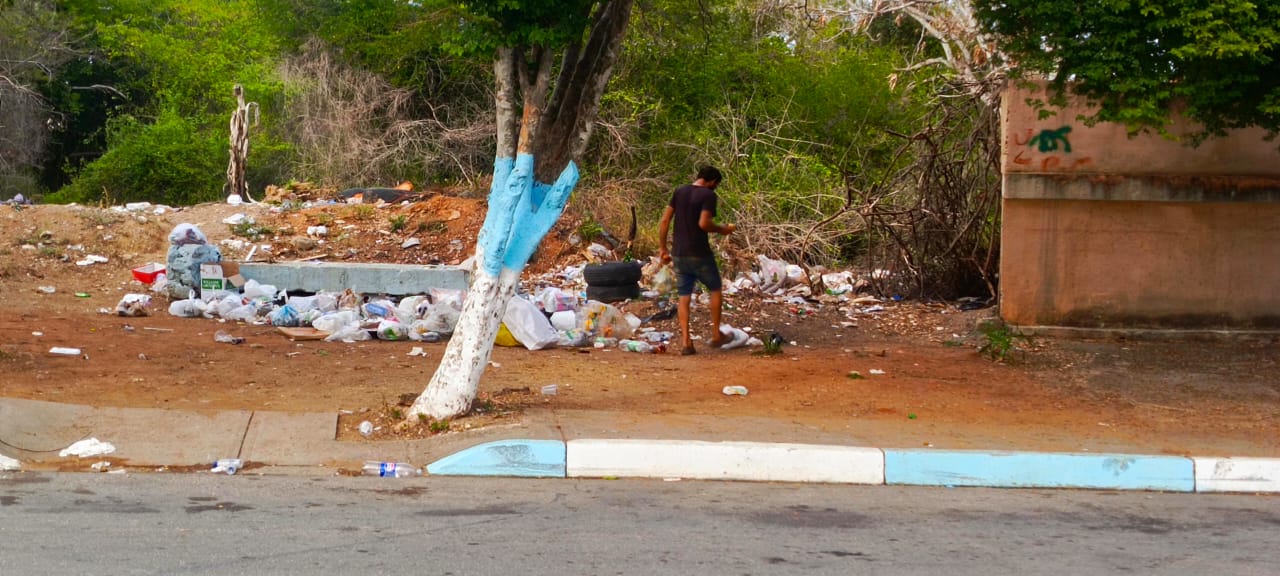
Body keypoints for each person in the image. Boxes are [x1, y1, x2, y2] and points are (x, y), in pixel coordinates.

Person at [658, 165, 736, 355]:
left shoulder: (679, 191)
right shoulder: (708, 196)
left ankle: (686, 342)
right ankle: (716, 334)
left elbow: (665, 220)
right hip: (699, 253)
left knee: (684, 296)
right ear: (712, 182)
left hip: (679, 253)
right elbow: (704, 223)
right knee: (715, 288)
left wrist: (663, 249)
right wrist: (723, 229)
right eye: (715, 185)